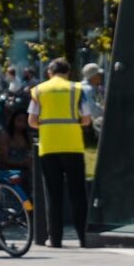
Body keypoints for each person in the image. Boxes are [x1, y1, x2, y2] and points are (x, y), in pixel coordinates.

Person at [28, 58, 92, 248]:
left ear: (49, 73)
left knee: (53, 194)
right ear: (68, 72)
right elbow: (87, 119)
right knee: (78, 193)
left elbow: (32, 120)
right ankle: (83, 237)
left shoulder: (39, 90)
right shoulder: (77, 89)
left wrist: (47, 126)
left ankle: (55, 239)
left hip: (48, 146)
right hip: (73, 145)